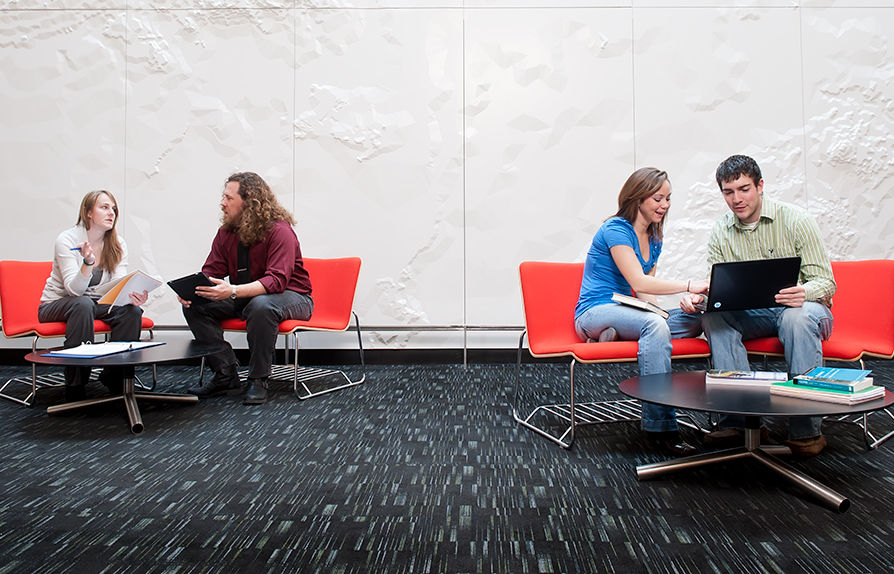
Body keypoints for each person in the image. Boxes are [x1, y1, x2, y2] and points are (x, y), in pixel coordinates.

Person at [683, 155, 836, 457]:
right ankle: (743, 422)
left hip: (802, 309)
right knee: (715, 318)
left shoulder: (796, 219)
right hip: (755, 313)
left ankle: (807, 431)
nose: (737, 199)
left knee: (797, 318)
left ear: (760, 185)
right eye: (729, 192)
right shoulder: (721, 230)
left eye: (744, 189)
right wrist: (700, 297)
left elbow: (826, 282)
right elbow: (720, 284)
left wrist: (803, 292)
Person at [575, 167, 710, 456]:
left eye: (669, 198)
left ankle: (618, 335)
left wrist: (674, 309)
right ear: (638, 198)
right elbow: (638, 280)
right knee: (654, 326)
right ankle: (661, 428)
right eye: (658, 198)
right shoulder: (615, 229)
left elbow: (645, 294)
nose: (665, 205)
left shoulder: (654, 238)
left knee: (699, 318)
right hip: (595, 310)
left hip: (629, 309)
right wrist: (689, 284)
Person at [180, 172, 313, 405]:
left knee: (261, 305)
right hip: (247, 297)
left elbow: (276, 281)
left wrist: (232, 291)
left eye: (228, 198)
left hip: (294, 297)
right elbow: (211, 271)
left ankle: (259, 378)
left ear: (249, 201)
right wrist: (194, 291)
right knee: (196, 306)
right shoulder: (226, 233)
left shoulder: (280, 231)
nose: (222, 203)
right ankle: (225, 374)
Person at [38, 190, 149, 402]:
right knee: (82, 304)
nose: (112, 213)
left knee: (131, 311)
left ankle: (115, 377)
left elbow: (115, 288)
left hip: (92, 303)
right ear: (88, 212)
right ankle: (76, 385)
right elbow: (74, 291)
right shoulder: (67, 239)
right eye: (104, 207)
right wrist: (88, 263)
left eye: (114, 209)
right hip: (55, 305)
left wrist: (130, 296)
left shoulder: (117, 244)